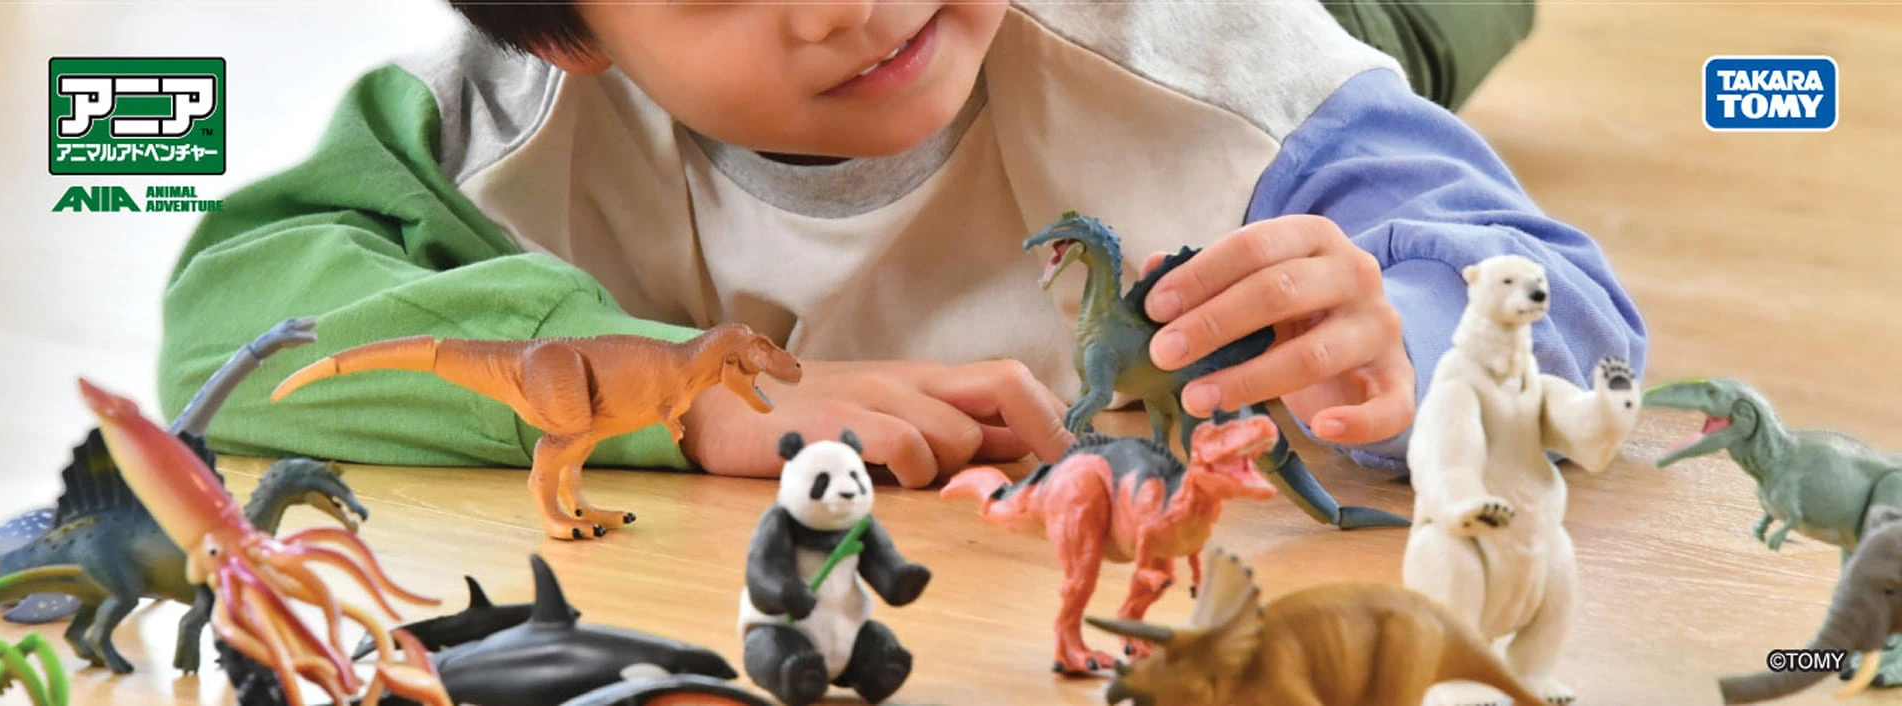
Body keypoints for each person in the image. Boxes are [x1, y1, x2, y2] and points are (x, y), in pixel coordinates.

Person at [159, 0, 1638, 488]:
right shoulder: (499, 118)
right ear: (570, 36)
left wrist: (1410, 336)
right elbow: (230, 315)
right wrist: (683, 395)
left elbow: (1554, 291)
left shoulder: (1211, 65)